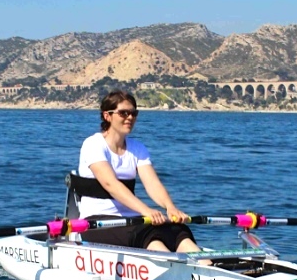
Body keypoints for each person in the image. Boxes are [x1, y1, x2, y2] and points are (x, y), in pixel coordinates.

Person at [76, 89, 204, 254]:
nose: (130, 117)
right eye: (123, 113)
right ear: (107, 116)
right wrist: (146, 210)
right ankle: (175, 268)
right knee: (149, 235)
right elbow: (111, 184)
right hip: (97, 222)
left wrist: (170, 207)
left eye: (133, 113)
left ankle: (211, 269)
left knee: (178, 230)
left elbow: (152, 183)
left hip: (131, 220)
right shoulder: (93, 144)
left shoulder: (137, 148)